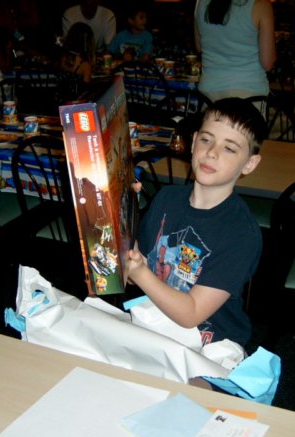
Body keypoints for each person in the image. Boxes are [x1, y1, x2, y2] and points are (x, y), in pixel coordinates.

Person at [126, 97, 265, 348]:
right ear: (193, 143)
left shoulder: (241, 234)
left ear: (250, 163)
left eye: (229, 148)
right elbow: (136, 272)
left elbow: (191, 314)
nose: (211, 152)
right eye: (206, 140)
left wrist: (138, 271)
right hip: (158, 324)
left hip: (213, 345)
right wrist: (122, 216)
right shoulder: (166, 199)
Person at [194, 0, 276, 102]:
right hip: (248, 92)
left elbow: (199, 46)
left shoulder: (200, 3)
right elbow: (267, 62)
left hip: (209, 93)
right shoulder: (261, 5)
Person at [58, 22, 96, 101]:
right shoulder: (85, 65)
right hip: (76, 103)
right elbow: (85, 91)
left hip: (61, 99)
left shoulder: (64, 57)